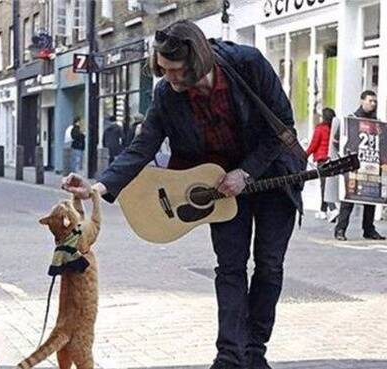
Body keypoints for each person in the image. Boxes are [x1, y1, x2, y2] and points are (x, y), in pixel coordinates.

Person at [62, 20, 306, 369]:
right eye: (163, 70)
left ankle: (255, 352)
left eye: (175, 71)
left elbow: (283, 127)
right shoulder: (166, 94)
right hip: (218, 188)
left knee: (269, 265)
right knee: (230, 268)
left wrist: (246, 171)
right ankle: (229, 356)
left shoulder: (247, 65)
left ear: (198, 61)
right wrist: (96, 187)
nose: (170, 79)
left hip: (271, 176)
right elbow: (142, 146)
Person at [334, 90, 385, 241]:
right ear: (362, 101)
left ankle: (369, 229)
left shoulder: (378, 123)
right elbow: (337, 141)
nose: (373, 104)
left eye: (375, 101)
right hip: (353, 166)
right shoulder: (351, 120)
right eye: (370, 101)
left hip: (371, 166)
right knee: (349, 198)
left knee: (371, 199)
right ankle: (340, 229)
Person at [306, 107, 338, 221]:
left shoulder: (320, 129)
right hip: (333, 160)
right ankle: (323, 211)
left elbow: (314, 144)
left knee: (324, 186)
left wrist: (304, 156)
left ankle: (333, 209)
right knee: (326, 185)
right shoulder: (335, 129)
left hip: (322, 160)